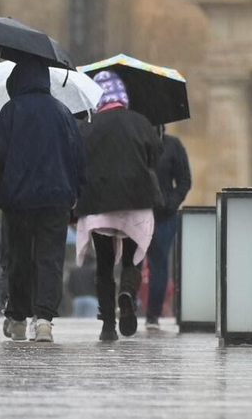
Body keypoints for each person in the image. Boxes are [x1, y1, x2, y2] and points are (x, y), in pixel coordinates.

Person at [0, 58, 87, 344]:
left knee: (18, 258)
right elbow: (79, 159)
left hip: (18, 199)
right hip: (56, 199)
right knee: (49, 258)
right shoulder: (63, 113)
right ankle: (44, 322)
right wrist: (77, 193)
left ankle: (17, 318)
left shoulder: (12, 110)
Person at [74, 70, 161, 342]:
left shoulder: (88, 127)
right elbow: (155, 155)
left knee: (103, 264)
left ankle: (108, 325)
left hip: (99, 202)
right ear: (122, 96)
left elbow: (78, 162)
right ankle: (127, 293)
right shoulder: (140, 122)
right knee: (133, 256)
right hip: (136, 200)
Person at [145, 127, 192, 326]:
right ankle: (127, 304)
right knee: (132, 263)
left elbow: (184, 181)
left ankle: (153, 314)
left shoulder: (173, 145)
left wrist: (170, 203)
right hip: (137, 210)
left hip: (163, 216)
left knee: (159, 264)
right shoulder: (136, 140)